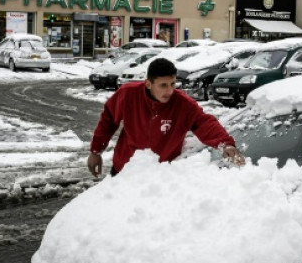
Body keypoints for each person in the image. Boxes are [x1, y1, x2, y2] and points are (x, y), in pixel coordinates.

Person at [87, 57, 245, 177]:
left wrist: (225, 144)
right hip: (124, 170)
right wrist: (95, 151)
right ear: (148, 84)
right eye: (163, 85)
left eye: (173, 84)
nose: (170, 91)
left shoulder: (182, 104)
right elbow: (108, 120)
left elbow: (204, 123)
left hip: (160, 176)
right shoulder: (128, 94)